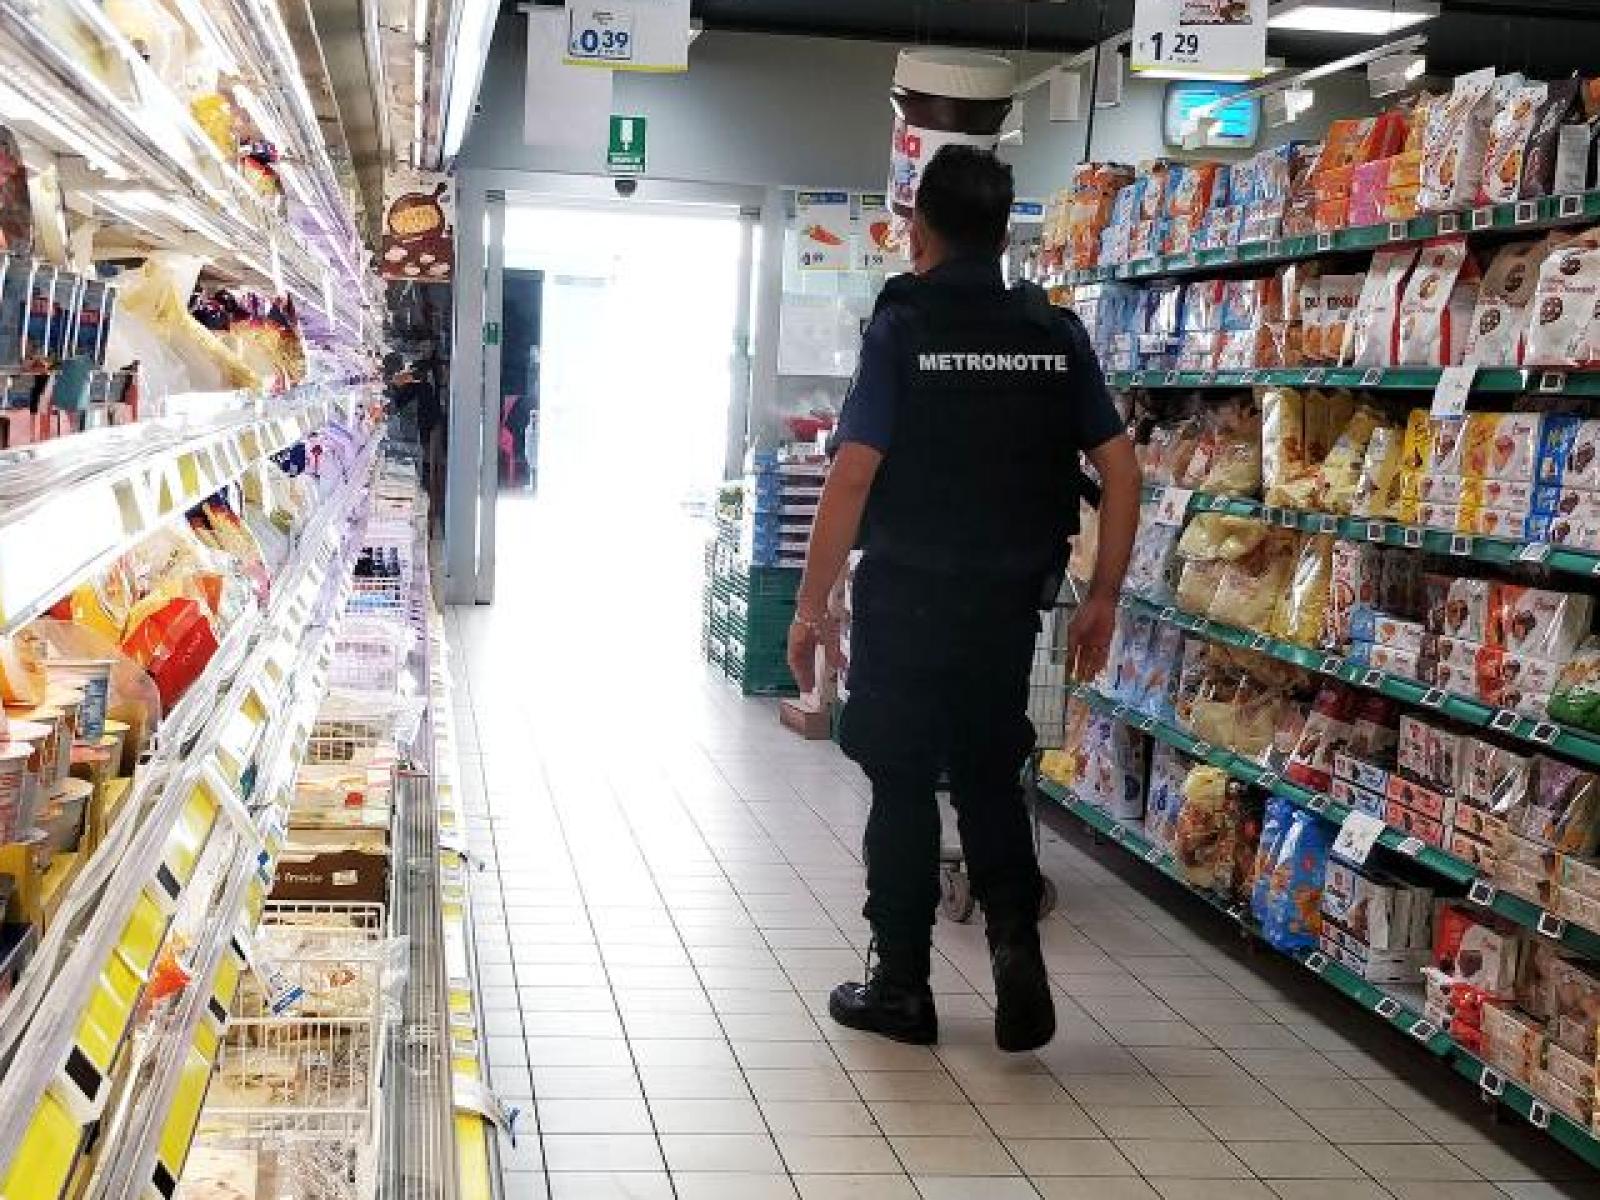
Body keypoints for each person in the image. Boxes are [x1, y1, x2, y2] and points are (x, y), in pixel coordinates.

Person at [786, 146, 1141, 1053]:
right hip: (1006, 605)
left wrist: (811, 607)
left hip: (908, 598)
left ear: (921, 229)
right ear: (1002, 229)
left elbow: (854, 475)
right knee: (989, 773)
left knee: (901, 778)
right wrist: (1103, 595)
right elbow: (1120, 467)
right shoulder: (1053, 332)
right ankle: (1017, 960)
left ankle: (902, 984)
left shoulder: (902, 325)